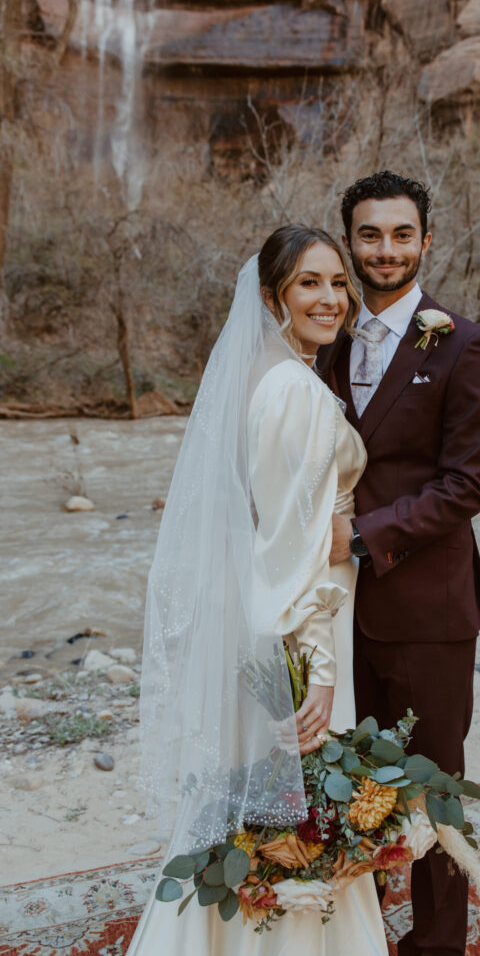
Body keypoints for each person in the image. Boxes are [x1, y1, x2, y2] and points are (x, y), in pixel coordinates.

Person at [127, 225, 388, 955]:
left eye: (339, 283)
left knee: (251, 791)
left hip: (256, 615)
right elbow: (287, 547)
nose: (331, 298)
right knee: (295, 798)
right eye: (310, 283)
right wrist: (319, 672)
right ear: (273, 296)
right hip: (300, 623)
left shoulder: (263, 373)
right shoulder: (292, 390)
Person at [319, 171, 480, 956]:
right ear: (349, 241)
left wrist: (359, 538)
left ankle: (434, 943)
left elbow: (465, 486)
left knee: (431, 784)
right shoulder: (322, 339)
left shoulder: (467, 345)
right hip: (330, 609)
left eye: (401, 234)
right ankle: (356, 930)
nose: (384, 249)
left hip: (425, 605)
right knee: (348, 780)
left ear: (425, 241)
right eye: (369, 234)